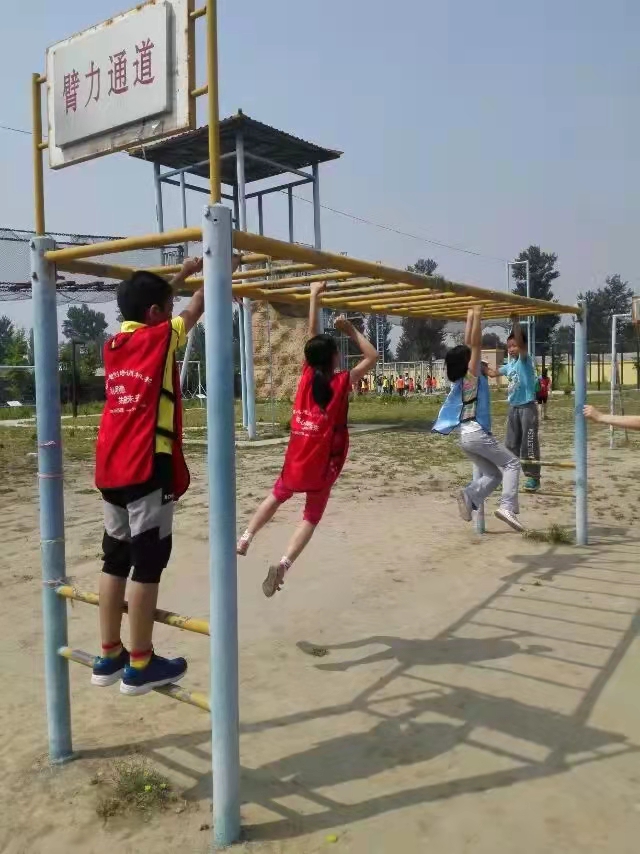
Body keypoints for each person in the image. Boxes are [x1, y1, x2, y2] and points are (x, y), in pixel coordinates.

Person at [92, 255, 240, 695]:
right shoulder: (160, 338)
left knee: (114, 558)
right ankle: (140, 662)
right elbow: (195, 307)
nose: (173, 311)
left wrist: (182, 274)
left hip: (111, 468)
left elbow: (159, 302)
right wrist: (219, 268)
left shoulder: (114, 344)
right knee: (148, 562)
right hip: (145, 465)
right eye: (166, 307)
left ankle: (109, 654)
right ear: (156, 313)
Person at [236, 281, 378, 597]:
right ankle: (284, 565)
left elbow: (312, 335)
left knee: (275, 496)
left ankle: (246, 537)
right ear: (335, 358)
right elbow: (372, 355)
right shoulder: (342, 382)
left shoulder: (305, 376)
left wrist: (314, 295)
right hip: (322, 466)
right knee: (310, 517)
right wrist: (350, 329)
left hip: (296, 460)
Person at [433, 306, 524, 532]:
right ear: (468, 363)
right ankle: (507, 507)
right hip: (476, 433)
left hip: (466, 437)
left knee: (493, 475)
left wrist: (470, 316)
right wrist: (479, 317)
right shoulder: (471, 375)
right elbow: (474, 345)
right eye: (474, 358)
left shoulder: (462, 380)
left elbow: (469, 345)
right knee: (512, 463)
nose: (480, 360)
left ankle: (469, 495)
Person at [488, 319, 540, 492]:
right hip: (513, 408)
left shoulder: (525, 361)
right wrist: (481, 366)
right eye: (509, 346)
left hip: (527, 408)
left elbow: (522, 348)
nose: (511, 349)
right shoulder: (509, 365)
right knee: (510, 444)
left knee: (528, 444)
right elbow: (493, 373)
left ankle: (533, 477)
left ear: (522, 346)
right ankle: (509, 474)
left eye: (514, 345)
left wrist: (516, 323)